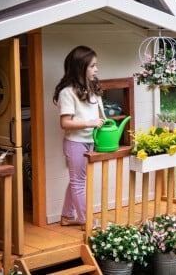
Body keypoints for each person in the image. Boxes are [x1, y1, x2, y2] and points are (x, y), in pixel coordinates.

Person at [52, 46, 105, 230]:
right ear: (80, 67)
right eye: (92, 66)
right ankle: (86, 221)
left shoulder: (89, 88)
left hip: (89, 141)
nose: (96, 69)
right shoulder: (67, 92)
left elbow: (99, 113)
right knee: (78, 182)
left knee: (77, 180)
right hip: (75, 143)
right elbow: (65, 123)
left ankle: (67, 215)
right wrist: (91, 123)